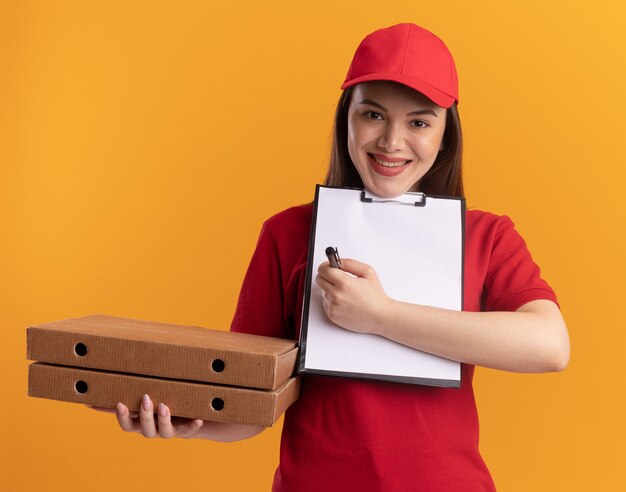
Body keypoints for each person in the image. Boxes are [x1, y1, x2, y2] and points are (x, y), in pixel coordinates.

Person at [105, 23, 570, 491]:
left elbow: (549, 345)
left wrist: (382, 315)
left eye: (419, 122)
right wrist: (194, 419)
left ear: (446, 135)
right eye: (372, 114)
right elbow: (257, 398)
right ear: (346, 118)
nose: (391, 141)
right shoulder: (287, 233)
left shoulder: (485, 235)